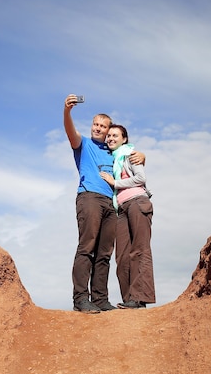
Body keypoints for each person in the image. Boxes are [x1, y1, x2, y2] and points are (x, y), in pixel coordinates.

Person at [63, 94, 145, 313]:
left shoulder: (114, 152)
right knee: (87, 247)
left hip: (111, 204)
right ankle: (80, 298)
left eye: (103, 126)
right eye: (95, 124)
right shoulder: (84, 144)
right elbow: (70, 132)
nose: (98, 128)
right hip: (89, 197)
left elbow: (131, 157)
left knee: (104, 253)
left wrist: (143, 156)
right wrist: (67, 111)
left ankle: (100, 299)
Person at [100, 124, 155, 309]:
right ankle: (129, 299)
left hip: (137, 202)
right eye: (108, 136)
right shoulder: (114, 159)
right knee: (122, 255)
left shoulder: (130, 155)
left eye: (115, 135)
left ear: (124, 139)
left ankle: (140, 298)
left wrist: (115, 182)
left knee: (140, 250)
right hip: (121, 209)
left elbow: (140, 178)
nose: (110, 138)